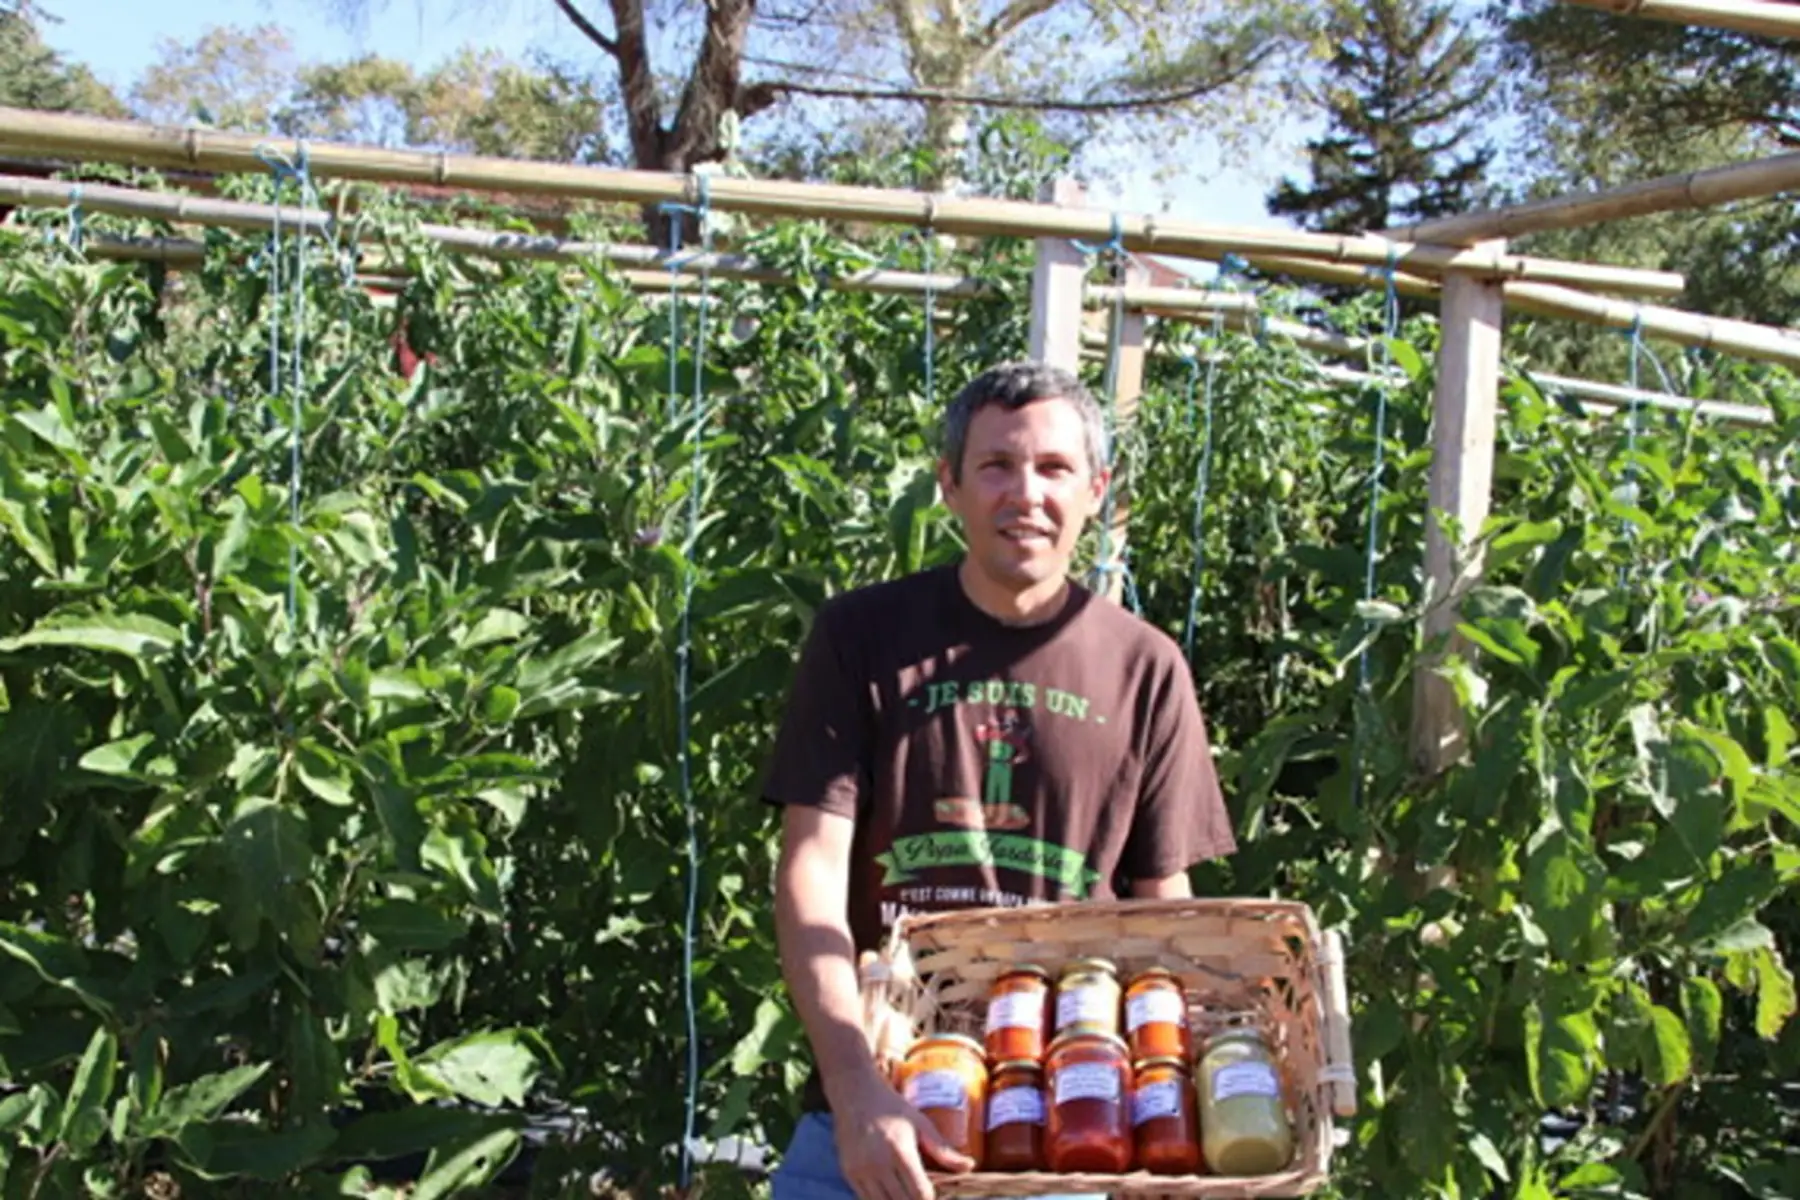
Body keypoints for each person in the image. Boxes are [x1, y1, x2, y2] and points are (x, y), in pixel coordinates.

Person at [760, 361, 1237, 1200]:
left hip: (1068, 1116)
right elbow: (812, 874)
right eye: (995, 466)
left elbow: (1165, 905)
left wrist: (1185, 1109)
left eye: (1053, 468)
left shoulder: (1144, 669)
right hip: (877, 1105)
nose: (1026, 493)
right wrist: (851, 1085)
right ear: (948, 484)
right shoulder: (861, 638)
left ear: (1096, 488)